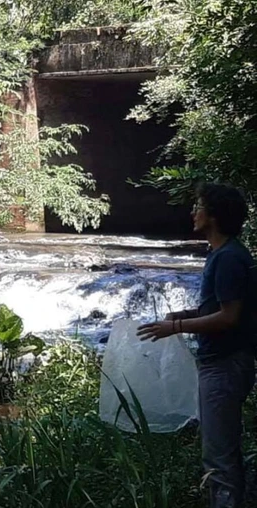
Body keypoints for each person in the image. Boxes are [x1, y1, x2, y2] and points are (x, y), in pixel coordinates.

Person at [138, 183, 256, 508]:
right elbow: (225, 307)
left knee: (218, 457)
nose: (193, 212)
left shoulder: (229, 258)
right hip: (224, 363)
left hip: (225, 365)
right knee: (222, 450)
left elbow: (230, 317)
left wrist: (174, 327)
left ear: (214, 217)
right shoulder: (224, 254)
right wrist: (186, 314)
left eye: (199, 206)